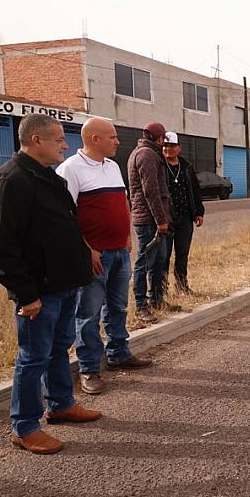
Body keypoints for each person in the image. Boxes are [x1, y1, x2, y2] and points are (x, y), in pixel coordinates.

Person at [0, 114, 101, 454]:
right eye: (60, 139)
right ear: (37, 140)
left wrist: (83, 258)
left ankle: (61, 403)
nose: (66, 145)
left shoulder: (51, 179)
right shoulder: (10, 181)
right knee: (33, 357)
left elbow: (65, 227)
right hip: (38, 292)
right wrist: (25, 293)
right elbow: (2, 247)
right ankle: (24, 426)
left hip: (65, 284)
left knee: (59, 347)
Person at [56, 117, 152, 396]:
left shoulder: (112, 166)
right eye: (112, 137)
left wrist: (126, 237)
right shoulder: (69, 170)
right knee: (87, 314)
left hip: (120, 252)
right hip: (94, 257)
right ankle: (89, 368)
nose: (117, 141)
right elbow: (65, 217)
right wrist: (86, 249)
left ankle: (119, 353)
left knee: (118, 307)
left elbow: (122, 203)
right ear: (94, 138)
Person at [127, 121, 177, 322]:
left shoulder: (148, 153)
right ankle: (141, 306)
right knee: (145, 261)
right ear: (158, 137)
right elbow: (151, 191)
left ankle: (157, 300)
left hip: (154, 218)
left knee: (159, 260)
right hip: (149, 219)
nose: (164, 142)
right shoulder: (146, 155)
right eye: (163, 138)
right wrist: (160, 220)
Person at [162, 131, 205, 294]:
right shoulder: (159, 166)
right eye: (165, 146)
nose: (168, 149)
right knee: (163, 257)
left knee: (182, 254)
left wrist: (199, 212)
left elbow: (195, 190)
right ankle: (162, 290)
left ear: (179, 148)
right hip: (166, 219)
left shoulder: (186, 167)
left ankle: (181, 286)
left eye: (172, 146)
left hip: (185, 218)